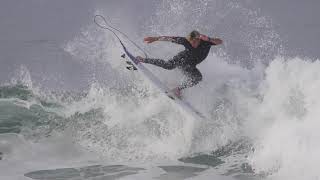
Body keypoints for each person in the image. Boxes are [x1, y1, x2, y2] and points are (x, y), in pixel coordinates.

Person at [136, 30, 222, 98]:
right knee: (168, 66)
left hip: (190, 66)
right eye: (191, 42)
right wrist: (155, 38)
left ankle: (177, 89)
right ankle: (143, 59)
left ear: (199, 39)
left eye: (194, 42)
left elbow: (220, 41)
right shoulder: (186, 41)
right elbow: (170, 38)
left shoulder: (206, 42)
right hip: (182, 58)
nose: (192, 44)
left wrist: (209, 39)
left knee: (197, 78)